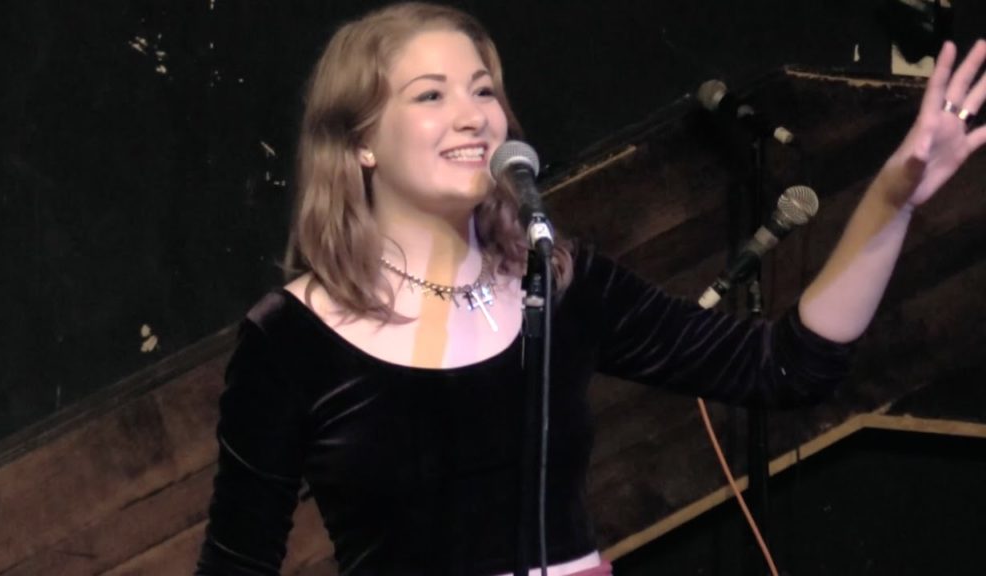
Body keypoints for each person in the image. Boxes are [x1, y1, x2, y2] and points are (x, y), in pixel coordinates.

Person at [195, 2, 986, 575]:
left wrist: (894, 197)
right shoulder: (290, 338)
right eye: (431, 95)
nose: (474, 116)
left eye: (484, 90)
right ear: (360, 141)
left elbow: (785, 367)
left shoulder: (561, 282)